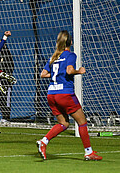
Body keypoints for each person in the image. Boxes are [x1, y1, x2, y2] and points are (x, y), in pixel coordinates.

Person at [36, 30, 102, 161]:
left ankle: (44, 141)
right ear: (70, 42)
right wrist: (79, 71)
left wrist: (57, 75)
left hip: (51, 94)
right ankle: (88, 152)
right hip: (64, 94)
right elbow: (69, 70)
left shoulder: (53, 57)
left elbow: (43, 74)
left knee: (64, 123)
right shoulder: (70, 55)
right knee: (82, 122)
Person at [0, 43, 14, 122]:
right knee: (0, 99)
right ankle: (3, 115)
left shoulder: (8, 55)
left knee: (7, 99)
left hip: (6, 82)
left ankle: (7, 116)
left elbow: (11, 67)